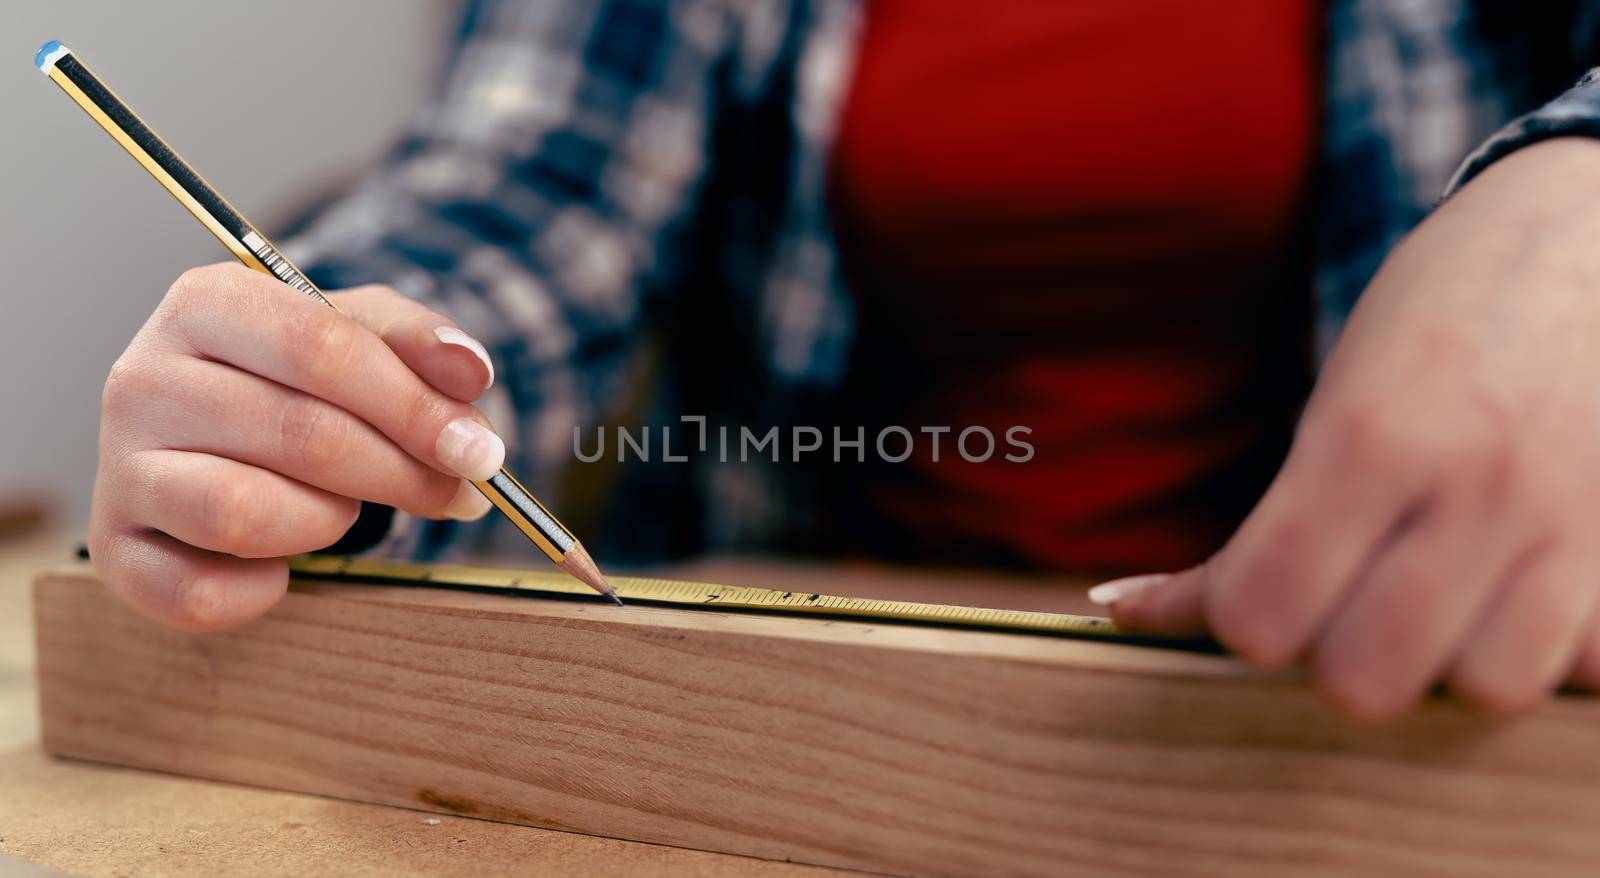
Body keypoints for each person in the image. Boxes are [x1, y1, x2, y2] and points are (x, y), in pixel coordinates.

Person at [85, 0, 1600, 719]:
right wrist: (341, 392)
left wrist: (1573, 184)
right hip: (800, 701)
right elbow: (531, 191)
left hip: (1388, 706)